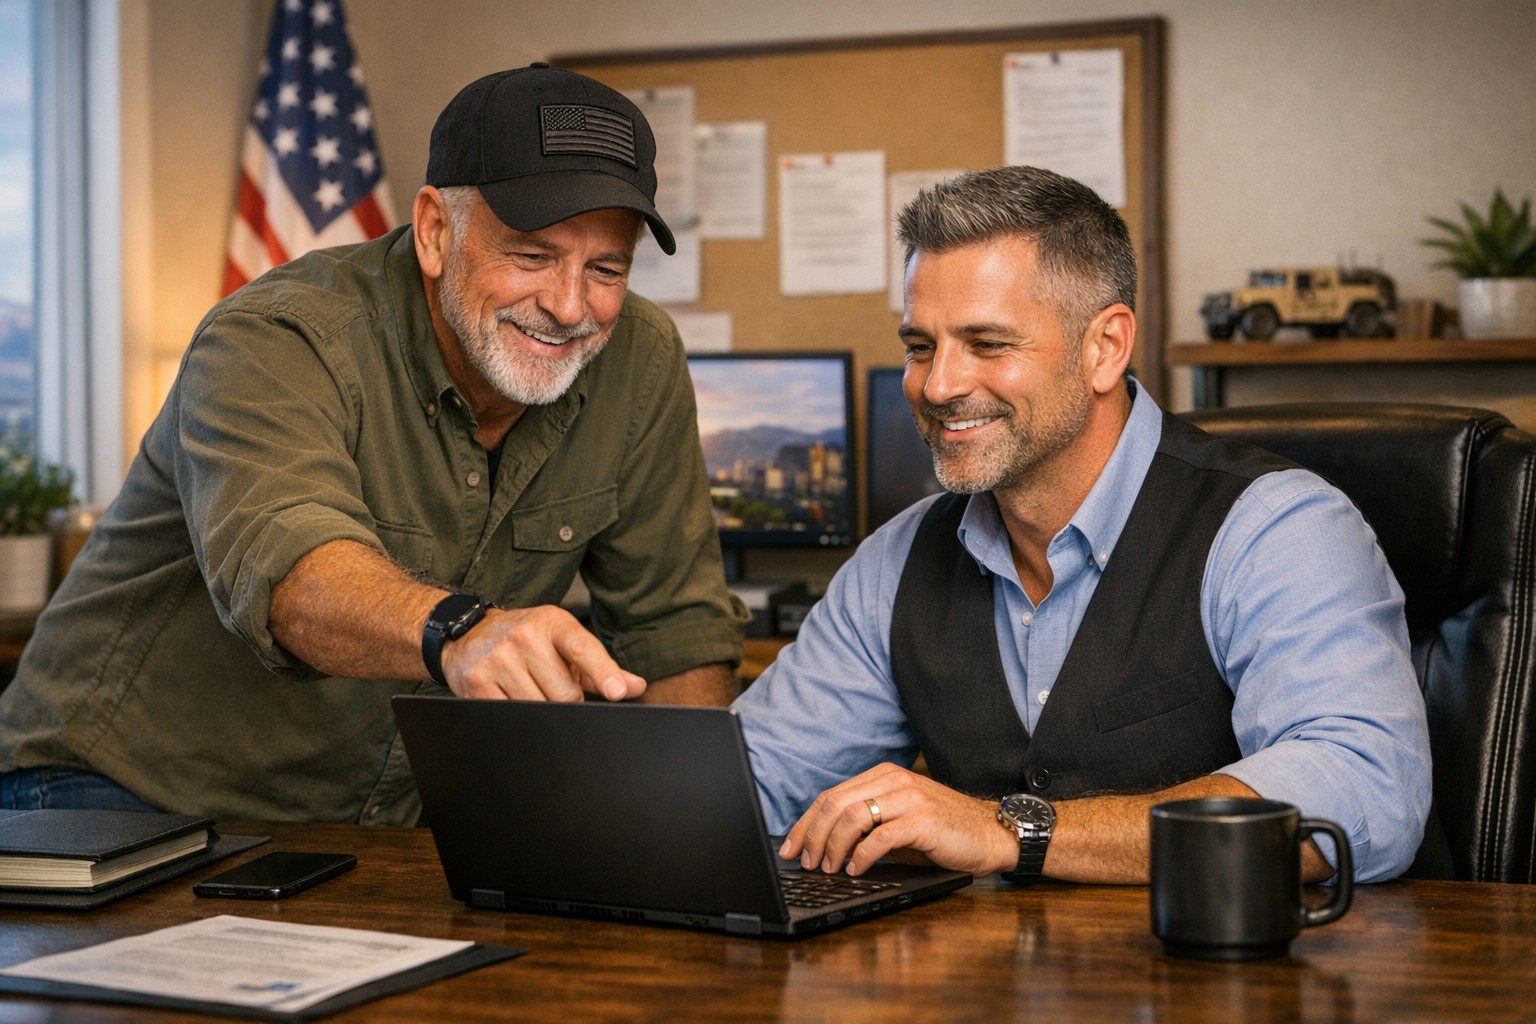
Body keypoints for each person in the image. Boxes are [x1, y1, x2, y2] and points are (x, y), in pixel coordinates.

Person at [0, 65, 748, 823]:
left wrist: (693, 835)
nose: (567, 305)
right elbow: (295, 579)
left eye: (606, 268)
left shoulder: (640, 357)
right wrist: (462, 631)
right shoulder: (276, 337)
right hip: (113, 790)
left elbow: (673, 632)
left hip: (373, 826)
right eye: (531, 256)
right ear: (435, 232)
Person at [734, 165, 1431, 885]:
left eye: (987, 344)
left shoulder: (1276, 529)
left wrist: (1010, 832)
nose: (938, 386)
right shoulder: (895, 562)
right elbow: (750, 785)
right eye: (919, 347)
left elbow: (1365, 791)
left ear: (1105, 347)